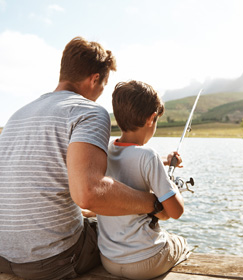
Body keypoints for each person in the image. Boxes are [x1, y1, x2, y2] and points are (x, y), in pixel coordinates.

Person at [0, 37, 158, 280]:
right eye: (104, 84)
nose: (101, 92)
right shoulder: (89, 111)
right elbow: (88, 193)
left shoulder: (17, 116)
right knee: (120, 235)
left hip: (4, 255)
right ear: (95, 79)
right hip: (51, 260)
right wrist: (153, 203)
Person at [97, 80, 190, 280]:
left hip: (109, 261)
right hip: (145, 263)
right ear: (151, 119)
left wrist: (164, 162)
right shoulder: (149, 156)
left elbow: (129, 159)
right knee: (180, 242)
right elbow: (176, 211)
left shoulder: (105, 148)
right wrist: (170, 181)